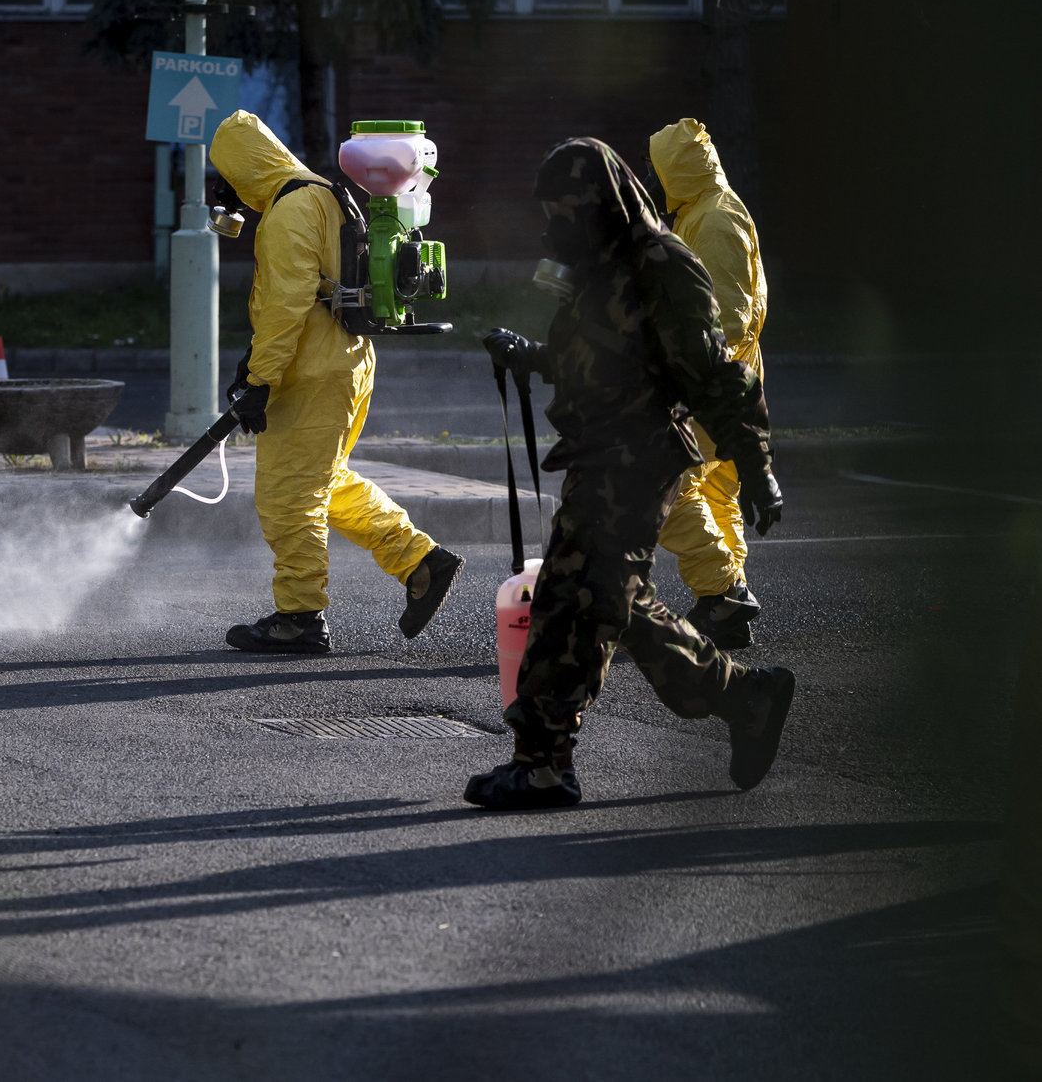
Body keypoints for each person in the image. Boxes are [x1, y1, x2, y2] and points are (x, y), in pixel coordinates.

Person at [466, 137, 795, 809]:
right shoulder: (596, 264)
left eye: (564, 209)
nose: (553, 223)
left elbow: (715, 378)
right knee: (619, 606)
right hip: (597, 456)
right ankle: (745, 697)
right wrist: (529, 356)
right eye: (548, 210)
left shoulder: (663, 266)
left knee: (569, 604)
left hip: (639, 462)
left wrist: (757, 469)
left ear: (601, 202)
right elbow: (595, 360)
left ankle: (544, 763)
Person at [208, 110, 463, 655]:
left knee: (288, 495)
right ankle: (420, 561)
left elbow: (286, 303)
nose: (225, 193)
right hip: (344, 362)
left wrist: (260, 379)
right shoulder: (321, 192)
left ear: (243, 168)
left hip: (312, 372)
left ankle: (299, 617)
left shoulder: (288, 211)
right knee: (324, 483)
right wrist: (252, 365)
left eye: (225, 178)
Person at [641, 118, 771, 649]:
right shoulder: (705, 211)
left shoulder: (713, 221)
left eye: (656, 168)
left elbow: (726, 319)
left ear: (677, 171)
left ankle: (722, 593)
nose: (651, 178)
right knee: (714, 488)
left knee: (664, 487)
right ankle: (728, 598)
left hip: (707, 385)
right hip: (724, 385)